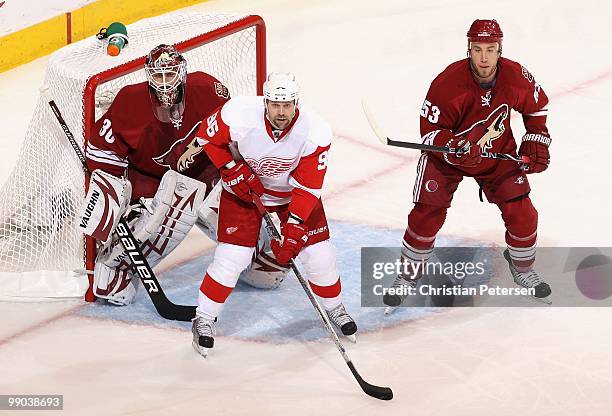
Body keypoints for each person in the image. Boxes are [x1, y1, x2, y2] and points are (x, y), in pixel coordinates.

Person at [78, 44, 288, 306]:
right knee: (167, 217)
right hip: (151, 180)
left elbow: (230, 135)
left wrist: (239, 167)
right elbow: (101, 150)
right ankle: (115, 267)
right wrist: (117, 193)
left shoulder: (209, 90)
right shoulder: (129, 103)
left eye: (170, 74)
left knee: (232, 204)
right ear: (148, 76)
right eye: (159, 76)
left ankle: (251, 254)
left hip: (205, 169)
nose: (165, 83)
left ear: (183, 72)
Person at [384, 19, 552, 311]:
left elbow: (537, 106)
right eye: (477, 50)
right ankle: (406, 277)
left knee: (523, 213)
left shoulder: (516, 76)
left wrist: (537, 138)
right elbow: (429, 131)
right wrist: (452, 147)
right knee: (426, 214)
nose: (484, 58)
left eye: (490, 49)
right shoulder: (447, 83)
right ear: (469, 50)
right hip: (446, 159)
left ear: (500, 50)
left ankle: (523, 268)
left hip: (495, 154)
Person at [190, 72, 357, 357]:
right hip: (243, 192)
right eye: (275, 105)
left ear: (296, 103)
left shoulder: (315, 131)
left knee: (319, 254)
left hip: (291, 196)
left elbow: (306, 188)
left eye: (287, 104)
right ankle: (204, 318)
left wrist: (294, 228)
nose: (282, 112)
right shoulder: (238, 114)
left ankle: (335, 308)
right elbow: (206, 136)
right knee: (233, 257)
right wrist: (230, 169)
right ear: (265, 102)